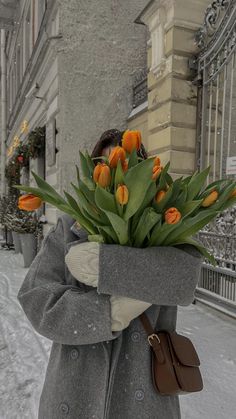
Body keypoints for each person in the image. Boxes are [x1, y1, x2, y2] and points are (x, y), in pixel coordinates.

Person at [17, 129, 203, 419]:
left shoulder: (165, 227)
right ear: (94, 172)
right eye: (106, 166)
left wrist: (103, 264)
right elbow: (35, 297)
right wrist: (108, 313)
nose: (117, 174)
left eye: (128, 166)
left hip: (144, 392)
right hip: (74, 389)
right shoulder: (70, 227)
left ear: (146, 175)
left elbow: (185, 278)